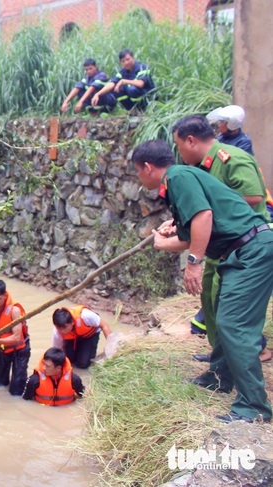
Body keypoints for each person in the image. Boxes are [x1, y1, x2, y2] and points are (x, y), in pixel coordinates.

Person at [132, 139, 273, 423]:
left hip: (251, 251)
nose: (138, 177)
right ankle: (219, 377)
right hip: (240, 251)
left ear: (147, 167)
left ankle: (254, 407)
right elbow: (190, 236)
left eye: (137, 171)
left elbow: (203, 217)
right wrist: (161, 241)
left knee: (235, 325)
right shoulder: (182, 180)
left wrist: (194, 265)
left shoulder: (178, 177)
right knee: (222, 316)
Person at [170, 115, 271, 364]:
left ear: (191, 141)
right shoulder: (202, 167)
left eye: (179, 145)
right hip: (220, 247)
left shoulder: (232, 158)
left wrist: (213, 206)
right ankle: (221, 355)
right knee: (210, 298)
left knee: (232, 305)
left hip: (246, 244)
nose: (179, 152)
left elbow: (253, 195)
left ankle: (253, 351)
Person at [51, 305, 112, 369]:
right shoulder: (57, 332)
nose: (62, 331)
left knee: (83, 364)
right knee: (69, 361)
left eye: (64, 327)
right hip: (72, 338)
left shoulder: (86, 315)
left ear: (72, 322)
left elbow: (104, 325)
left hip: (89, 335)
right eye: (59, 328)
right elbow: (57, 350)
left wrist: (110, 346)